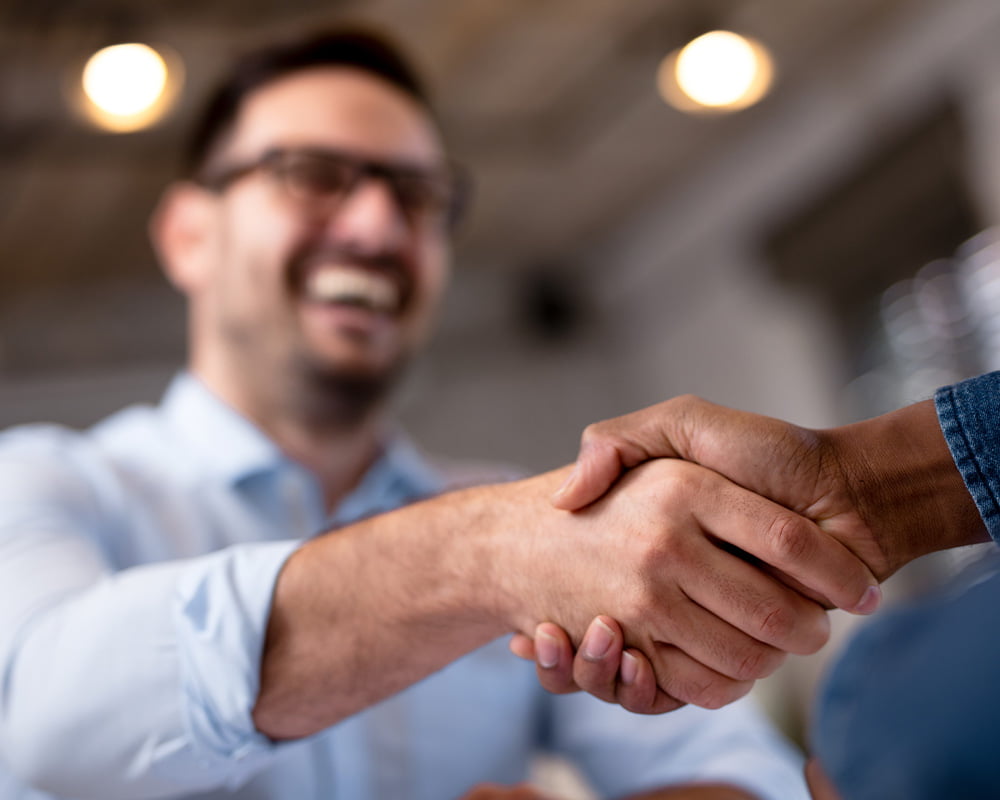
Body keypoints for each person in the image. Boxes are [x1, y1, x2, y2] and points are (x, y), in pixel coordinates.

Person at [0, 27, 838, 800]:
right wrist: (481, 557)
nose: (377, 225)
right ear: (189, 234)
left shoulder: (538, 518)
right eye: (312, 176)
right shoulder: (43, 480)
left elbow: (741, 774)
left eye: (416, 193)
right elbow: (43, 715)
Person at [513, 371, 1000, 798]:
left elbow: (746, 765)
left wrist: (856, 486)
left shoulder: (879, 716)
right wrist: (857, 488)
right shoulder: (876, 710)